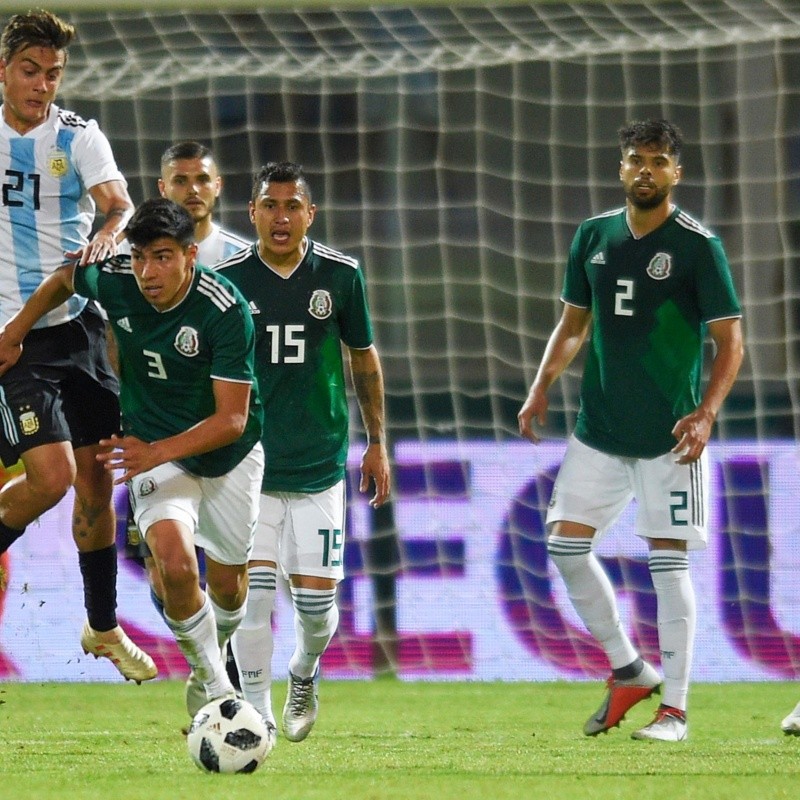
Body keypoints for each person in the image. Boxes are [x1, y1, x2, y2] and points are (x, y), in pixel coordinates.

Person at [517, 119, 743, 742]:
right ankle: (628, 667)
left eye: (659, 161)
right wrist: (541, 388)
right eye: (636, 160)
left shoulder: (699, 245)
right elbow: (571, 325)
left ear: (677, 173)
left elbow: (730, 342)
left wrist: (706, 413)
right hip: (599, 430)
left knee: (667, 566)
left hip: (671, 437)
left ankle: (676, 710)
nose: (646, 170)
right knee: (563, 547)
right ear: (621, 169)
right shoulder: (593, 236)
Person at [0, 198, 265, 723]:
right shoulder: (115, 277)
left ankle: (206, 661)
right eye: (141, 256)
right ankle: (217, 691)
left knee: (231, 592)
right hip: (151, 448)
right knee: (174, 563)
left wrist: (155, 451)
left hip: (227, 453)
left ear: (191, 256)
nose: (148, 271)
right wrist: (15, 332)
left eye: (163, 257)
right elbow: (63, 279)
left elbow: (232, 420)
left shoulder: (225, 309)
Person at [0, 9, 155, 682]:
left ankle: (102, 626)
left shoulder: (77, 135)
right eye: (31, 71)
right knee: (53, 478)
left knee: (96, 478)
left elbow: (118, 204)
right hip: (14, 339)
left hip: (81, 329)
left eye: (53, 74)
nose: (42, 86)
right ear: (3, 69)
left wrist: (109, 233)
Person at [216, 161, 390, 743]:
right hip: (249, 465)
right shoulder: (229, 278)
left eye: (293, 206)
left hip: (319, 465)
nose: (281, 217)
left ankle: (305, 671)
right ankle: (258, 713)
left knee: (316, 611)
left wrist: (377, 443)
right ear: (253, 214)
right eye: (270, 205)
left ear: (310, 215)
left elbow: (363, 358)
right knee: (253, 595)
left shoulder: (340, 276)